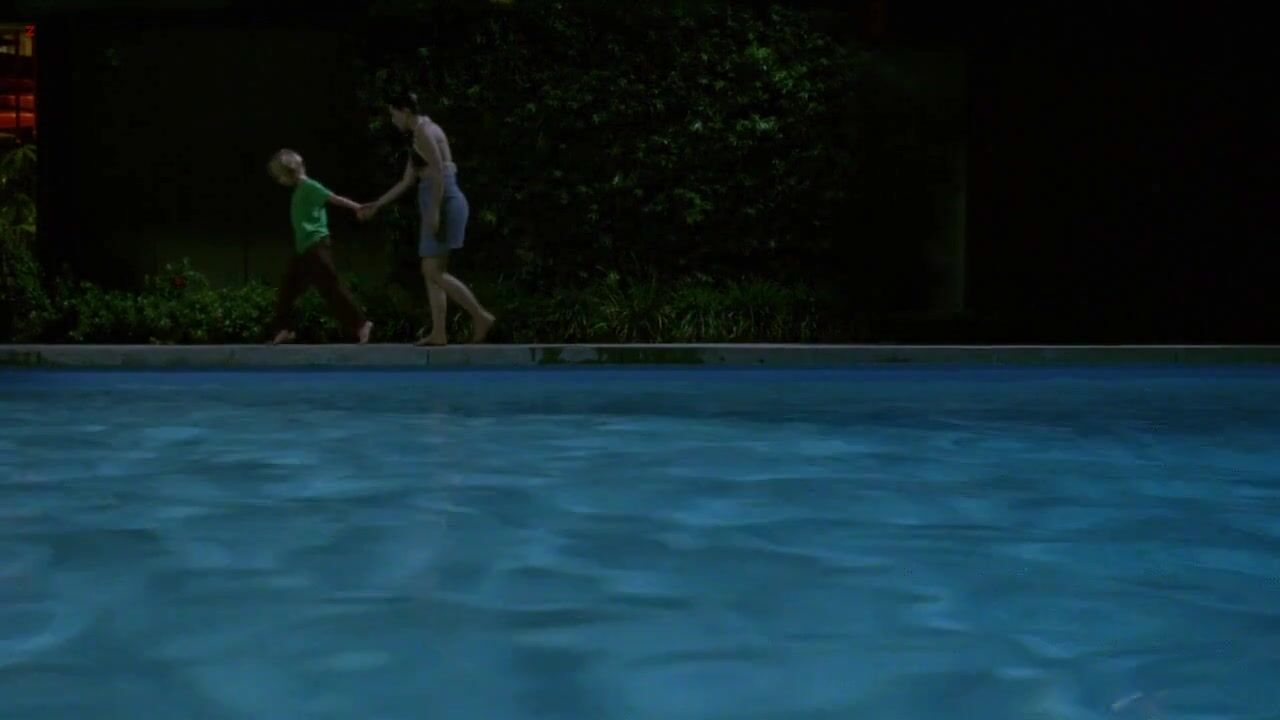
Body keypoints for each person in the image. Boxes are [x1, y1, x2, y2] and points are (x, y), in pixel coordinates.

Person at [358, 91, 494, 346]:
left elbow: (440, 172)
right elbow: (407, 181)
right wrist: (377, 204)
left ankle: (480, 316)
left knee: (432, 270)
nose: (393, 120)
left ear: (405, 111)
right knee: (432, 270)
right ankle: (439, 332)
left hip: (443, 202)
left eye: (394, 114)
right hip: (435, 201)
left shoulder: (424, 132)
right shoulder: (418, 135)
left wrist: (434, 212)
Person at [266, 148, 373, 345]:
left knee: (330, 286)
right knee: (288, 287)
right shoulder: (299, 189)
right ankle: (285, 328)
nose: (280, 181)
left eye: (280, 177)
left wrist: (357, 207)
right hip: (303, 250)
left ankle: (361, 324)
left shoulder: (309, 186)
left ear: (289, 173)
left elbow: (333, 198)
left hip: (316, 245)